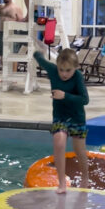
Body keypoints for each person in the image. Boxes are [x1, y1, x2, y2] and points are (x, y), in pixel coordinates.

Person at [33, 46, 89, 193]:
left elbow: (84, 100)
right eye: (61, 70)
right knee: (59, 141)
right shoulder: (52, 70)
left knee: (80, 150)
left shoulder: (77, 77)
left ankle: (85, 176)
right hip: (60, 116)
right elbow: (38, 57)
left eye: (68, 70)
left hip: (77, 117)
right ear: (57, 66)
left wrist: (65, 95)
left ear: (76, 67)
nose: (64, 74)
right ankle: (62, 182)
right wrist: (41, 51)